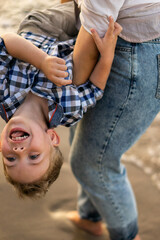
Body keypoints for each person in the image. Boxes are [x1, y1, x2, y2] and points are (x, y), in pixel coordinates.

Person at [0, 3, 122, 199]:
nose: (19, 150)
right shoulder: (68, 111)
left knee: (75, 9)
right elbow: (94, 89)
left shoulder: (4, 95)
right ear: (52, 138)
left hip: (43, 29)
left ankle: (83, 10)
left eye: (10, 158)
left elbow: (6, 41)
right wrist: (107, 55)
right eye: (33, 157)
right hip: (75, 45)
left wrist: (41, 61)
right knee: (77, 79)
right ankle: (93, 15)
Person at [66, 1, 160, 240]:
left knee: (93, 161)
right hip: (129, 42)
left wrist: (58, 101)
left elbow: (92, 35)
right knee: (81, 136)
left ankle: (128, 236)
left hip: (139, 54)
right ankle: (90, 218)